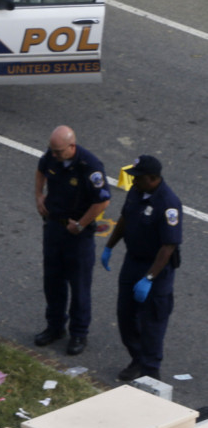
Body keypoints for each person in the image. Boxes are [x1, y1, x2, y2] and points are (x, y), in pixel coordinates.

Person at [101, 155, 182, 381]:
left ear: (153, 179)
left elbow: (168, 246)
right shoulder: (136, 192)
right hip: (133, 261)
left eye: (139, 178)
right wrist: (109, 246)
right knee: (125, 315)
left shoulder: (168, 204)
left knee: (153, 321)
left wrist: (149, 278)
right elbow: (125, 219)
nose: (133, 181)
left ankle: (151, 371)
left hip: (157, 268)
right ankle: (138, 357)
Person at [34, 125, 111, 355]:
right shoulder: (52, 156)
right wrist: (39, 195)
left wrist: (81, 224)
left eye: (59, 152)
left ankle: (79, 333)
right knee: (53, 281)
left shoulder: (90, 167)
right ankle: (55, 326)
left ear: (72, 146)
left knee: (79, 286)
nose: (54, 155)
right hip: (54, 228)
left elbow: (103, 201)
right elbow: (41, 170)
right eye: (52, 151)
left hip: (78, 234)